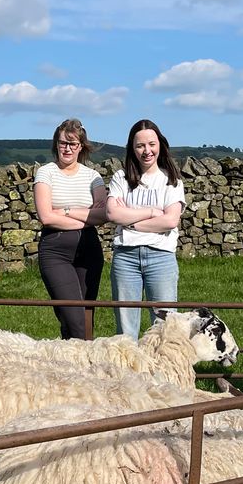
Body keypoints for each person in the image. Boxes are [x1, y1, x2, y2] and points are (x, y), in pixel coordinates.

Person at [105, 119, 186, 339]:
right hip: (126, 258)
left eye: (151, 144)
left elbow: (170, 221)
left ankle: (164, 372)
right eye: (140, 146)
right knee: (126, 328)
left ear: (160, 144)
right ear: (132, 148)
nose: (146, 151)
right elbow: (113, 214)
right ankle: (128, 372)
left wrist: (129, 221)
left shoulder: (172, 181)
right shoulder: (121, 178)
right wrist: (151, 212)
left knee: (165, 325)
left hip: (161, 257)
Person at [32, 119, 109, 339]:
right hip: (55, 251)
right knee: (73, 317)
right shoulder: (46, 173)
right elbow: (46, 217)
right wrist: (86, 216)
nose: (67, 148)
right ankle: (87, 366)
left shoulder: (93, 176)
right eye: (63, 143)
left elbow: (102, 215)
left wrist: (64, 211)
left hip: (89, 252)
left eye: (73, 144)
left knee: (84, 316)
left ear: (81, 146)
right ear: (56, 144)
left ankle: (68, 366)